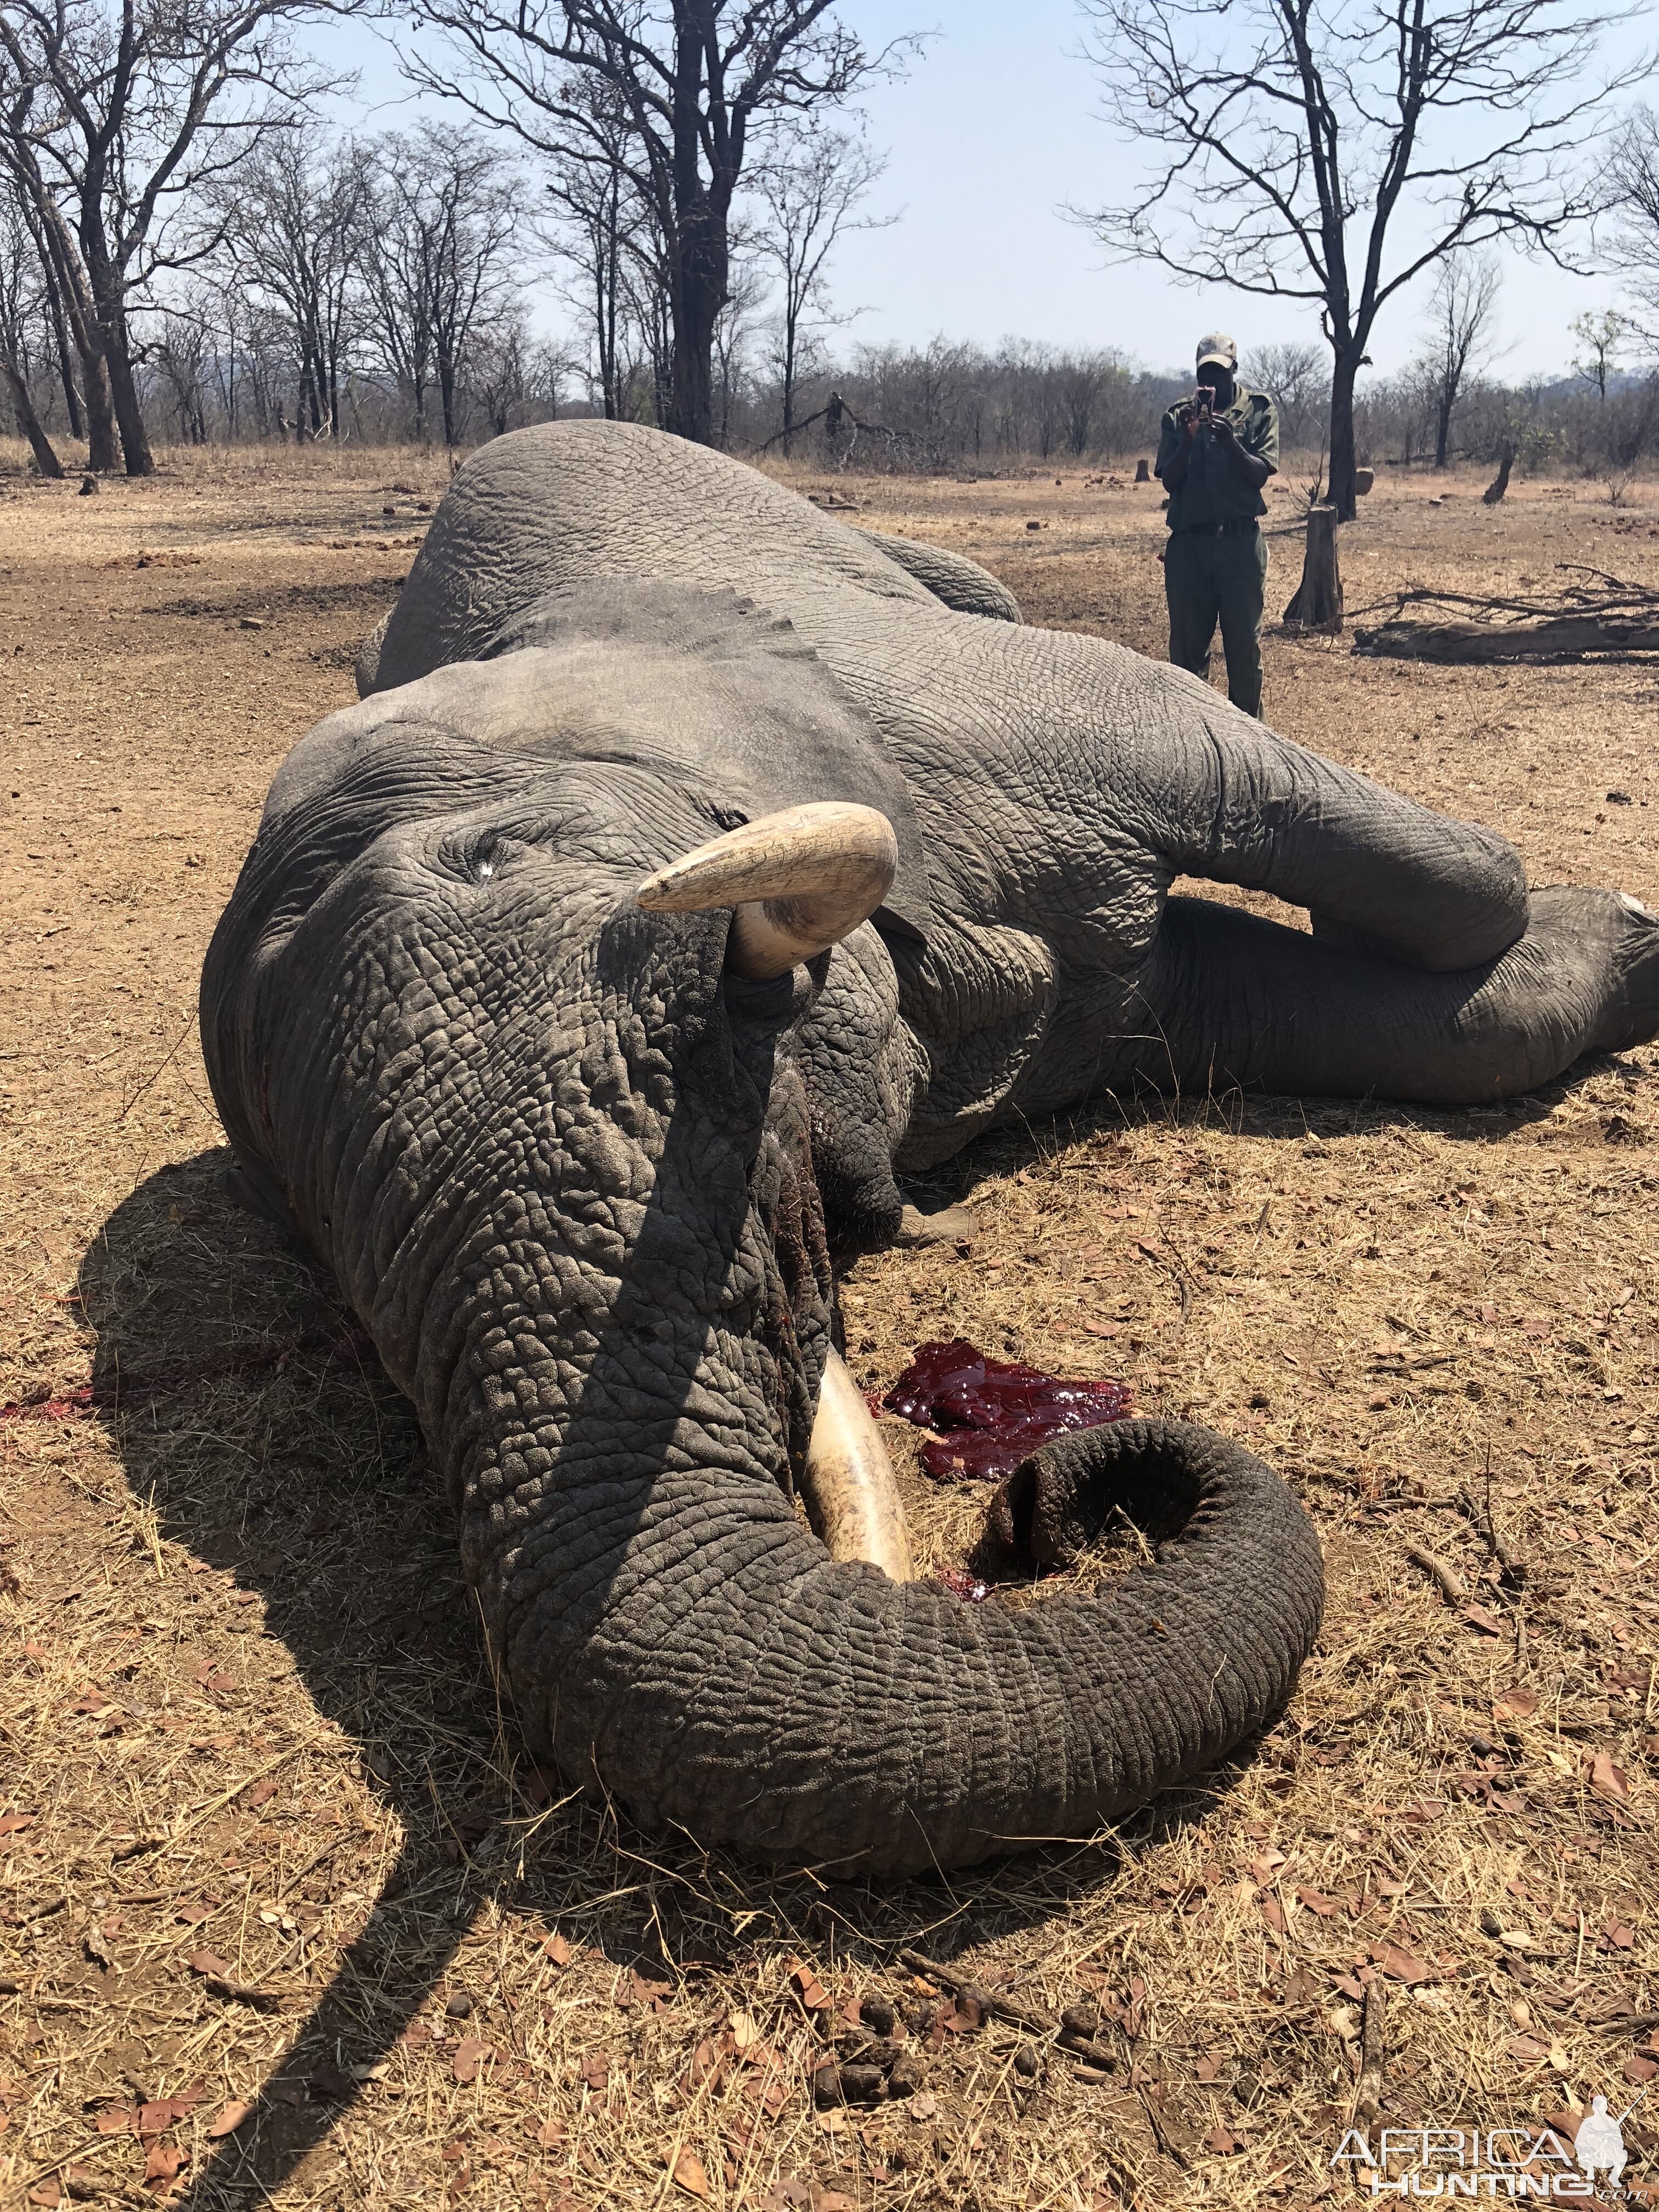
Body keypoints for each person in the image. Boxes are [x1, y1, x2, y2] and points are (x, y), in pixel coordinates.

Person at [1155, 334, 1279, 718]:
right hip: (1190, 547)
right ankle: (1192, 739)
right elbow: (1169, 480)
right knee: (1188, 653)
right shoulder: (1178, 417)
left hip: (1240, 545)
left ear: (1234, 371)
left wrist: (1230, 443)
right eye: (1204, 374)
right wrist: (1189, 441)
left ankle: (1252, 743)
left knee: (1244, 649)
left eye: (1218, 373)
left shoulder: (1259, 410)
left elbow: (1260, 473)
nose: (1211, 383)